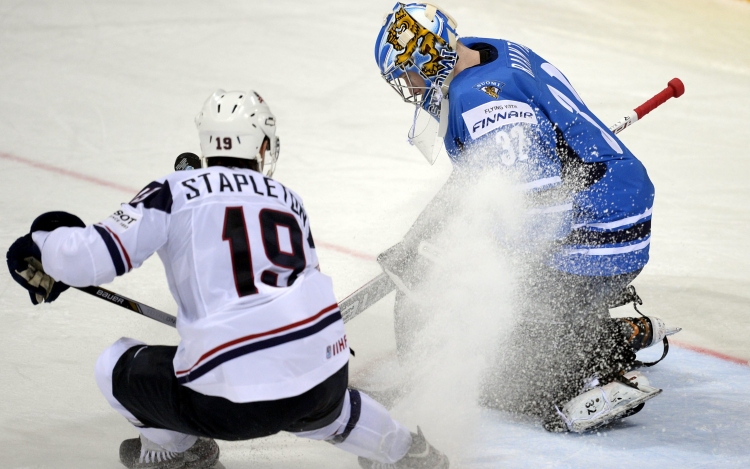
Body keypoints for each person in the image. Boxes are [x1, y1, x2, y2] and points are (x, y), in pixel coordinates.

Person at [6, 89, 449, 469]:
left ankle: (176, 452)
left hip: (226, 404)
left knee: (113, 365)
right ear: (261, 145)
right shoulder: (287, 199)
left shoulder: (173, 192)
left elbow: (89, 258)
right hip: (326, 374)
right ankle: (408, 452)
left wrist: (43, 241)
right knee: (322, 402)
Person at [373, 2, 678, 432]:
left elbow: (542, 214)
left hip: (601, 230)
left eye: (408, 72)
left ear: (430, 56)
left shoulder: (480, 103)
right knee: (477, 311)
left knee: (493, 369)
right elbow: (489, 181)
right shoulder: (489, 51)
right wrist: (420, 238)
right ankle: (604, 330)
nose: (407, 85)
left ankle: (592, 368)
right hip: (613, 201)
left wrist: (466, 262)